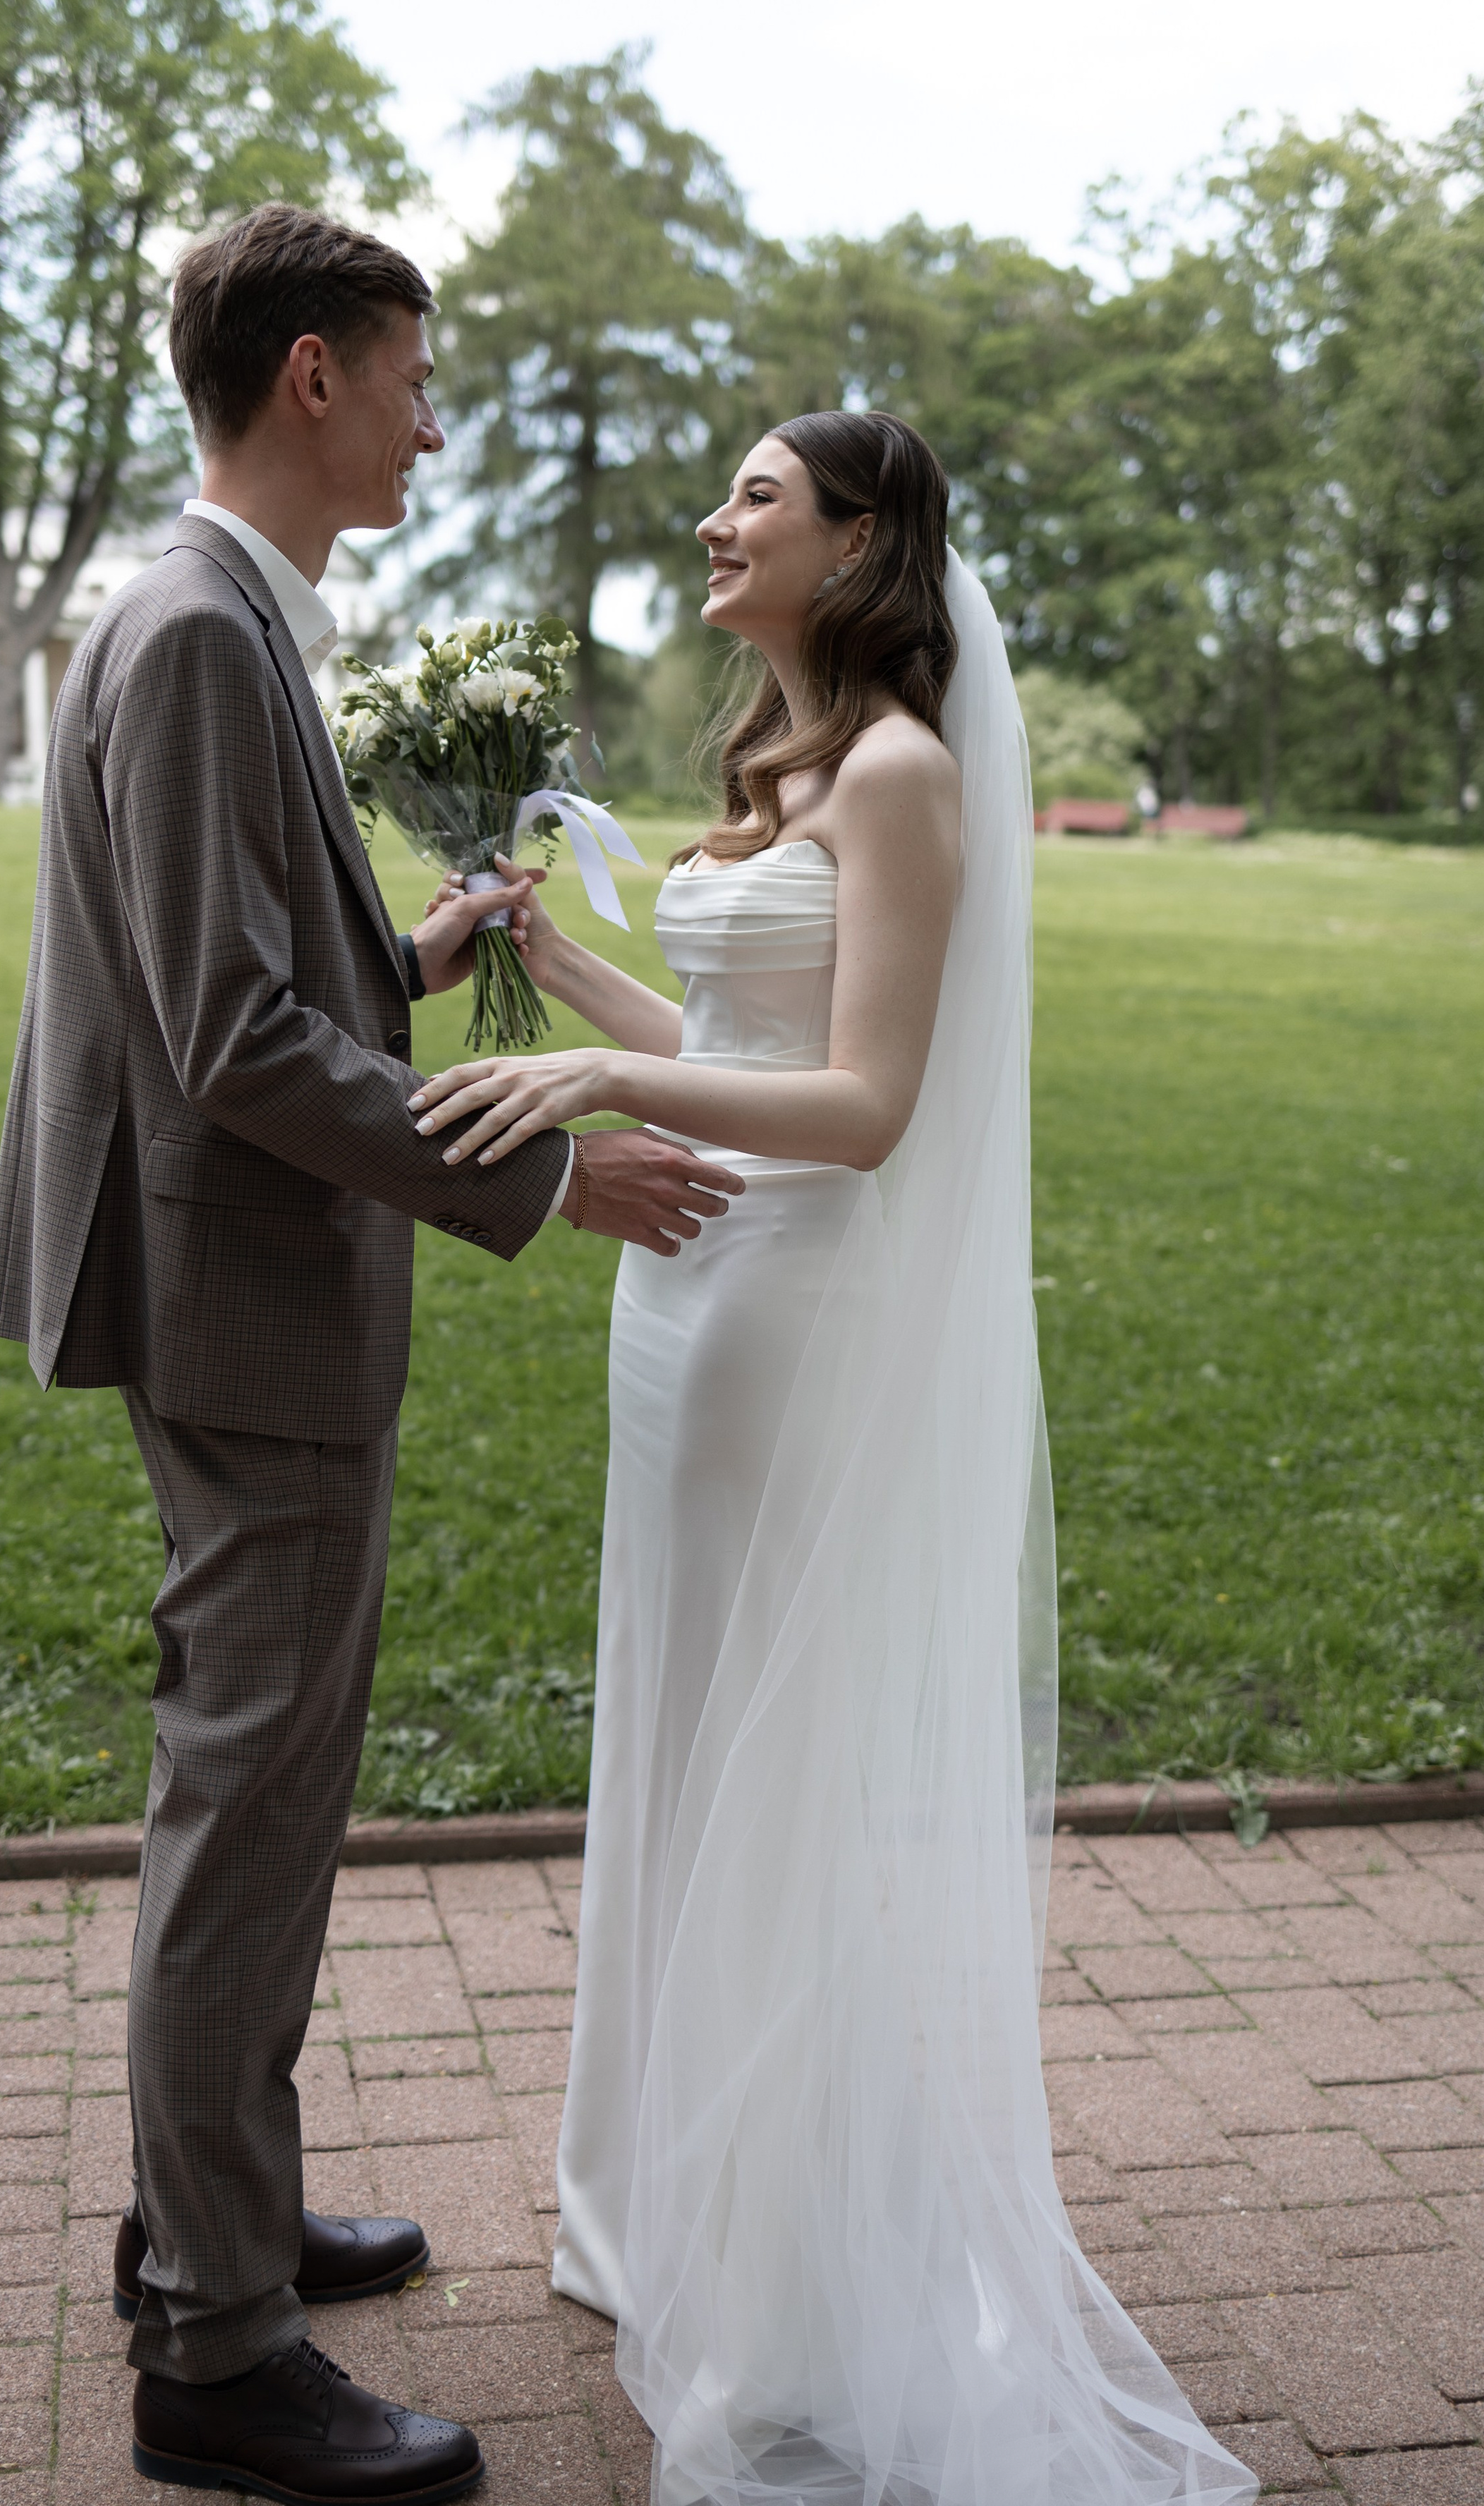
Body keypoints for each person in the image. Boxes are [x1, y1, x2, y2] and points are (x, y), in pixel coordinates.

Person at [410, 413, 1258, 2505]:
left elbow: (867, 1103)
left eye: (760, 499)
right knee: (685, 1726)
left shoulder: (898, 776)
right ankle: (658, 2208)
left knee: (769, 1767)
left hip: (790, 1308)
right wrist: (544, 958)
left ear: (863, 541)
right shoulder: (786, 770)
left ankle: (782, 2273)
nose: (718, 521)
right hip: (682, 1305)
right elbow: (734, 1049)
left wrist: (600, 1066)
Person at [0, 201, 743, 2506]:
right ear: (311, 374)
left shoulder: (207, 616)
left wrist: (409, 953)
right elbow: (222, 1037)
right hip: (252, 1294)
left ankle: (203, 2214)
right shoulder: (208, 634)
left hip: (223, 1272)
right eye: (414, 373)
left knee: (263, 1787)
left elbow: (233, 974)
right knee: (253, 1800)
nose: (432, 414)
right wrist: (538, 1171)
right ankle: (216, 2347)